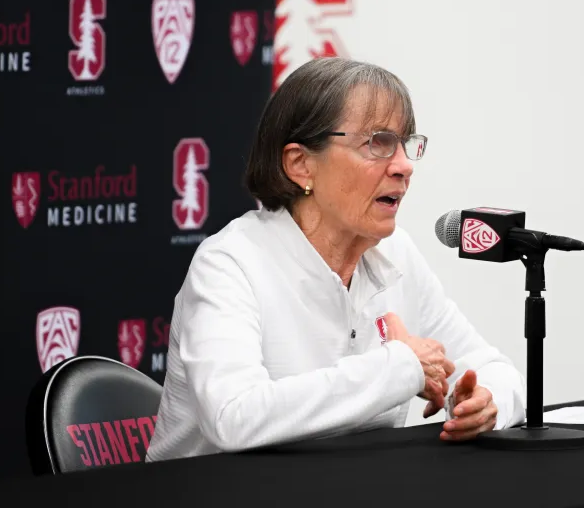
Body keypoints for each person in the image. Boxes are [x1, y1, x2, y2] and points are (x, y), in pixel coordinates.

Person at [146, 57, 526, 463]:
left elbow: (494, 369)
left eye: (405, 144)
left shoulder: (396, 254)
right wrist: (398, 369)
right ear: (300, 164)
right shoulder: (230, 263)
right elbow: (233, 416)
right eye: (377, 143)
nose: (403, 166)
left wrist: (486, 403)